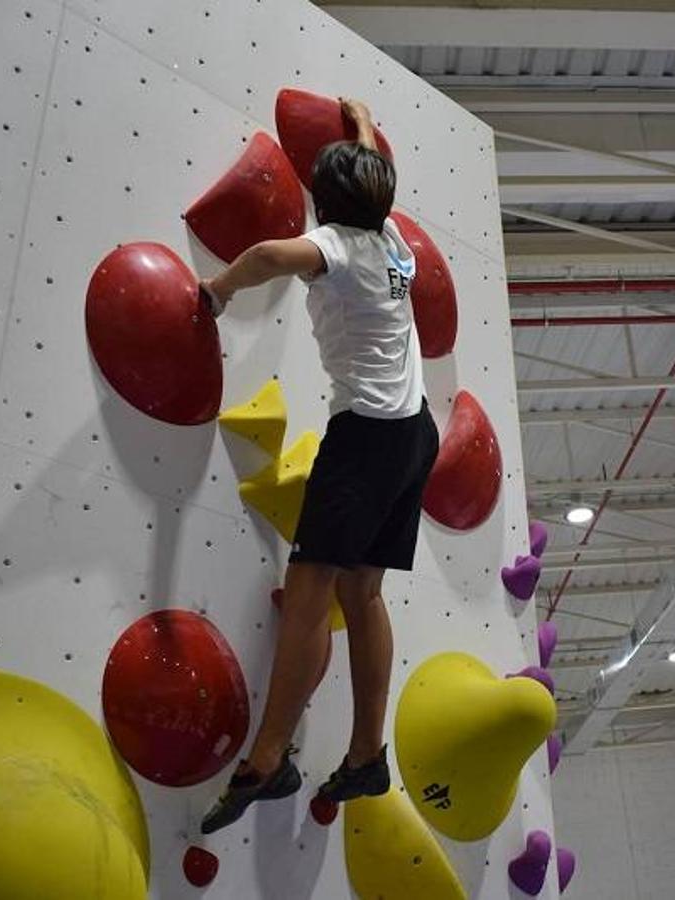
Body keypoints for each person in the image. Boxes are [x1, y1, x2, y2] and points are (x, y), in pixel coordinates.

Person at [198, 98, 439, 834]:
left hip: (365, 437)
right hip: (414, 433)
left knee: (309, 594)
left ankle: (268, 758)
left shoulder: (333, 244)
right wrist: (362, 124)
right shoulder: (392, 237)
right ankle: (367, 752)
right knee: (362, 595)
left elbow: (270, 257)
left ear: (326, 201)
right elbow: (377, 170)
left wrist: (215, 292)